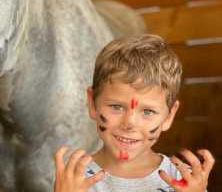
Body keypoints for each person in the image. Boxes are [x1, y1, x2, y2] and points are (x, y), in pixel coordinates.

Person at [54, 34, 215, 192]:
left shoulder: (185, 180)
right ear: (92, 103)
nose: (129, 123)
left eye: (148, 111)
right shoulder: (74, 181)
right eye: (116, 107)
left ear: (169, 116)